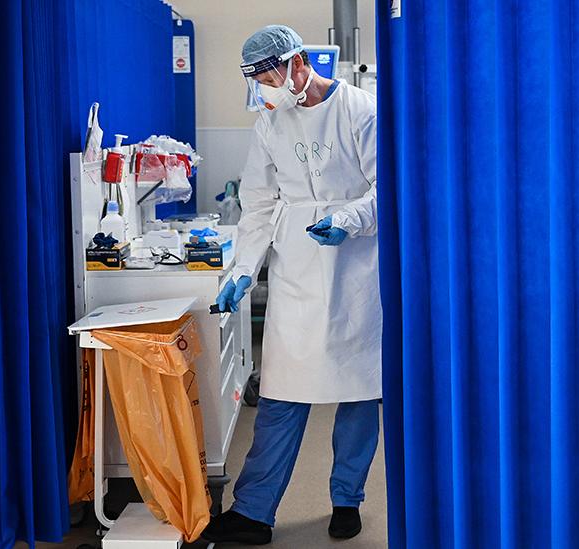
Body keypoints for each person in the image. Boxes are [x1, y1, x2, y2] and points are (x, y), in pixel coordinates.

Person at [200, 25, 381, 546]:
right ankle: (254, 512)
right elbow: (257, 205)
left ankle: (347, 499)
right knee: (280, 393)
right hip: (297, 268)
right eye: (257, 80)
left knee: (359, 393)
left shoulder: (360, 109)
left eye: (269, 76)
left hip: (356, 270)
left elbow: (387, 187)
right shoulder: (269, 122)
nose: (266, 89)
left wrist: (348, 219)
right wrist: (240, 271)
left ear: (299, 62)